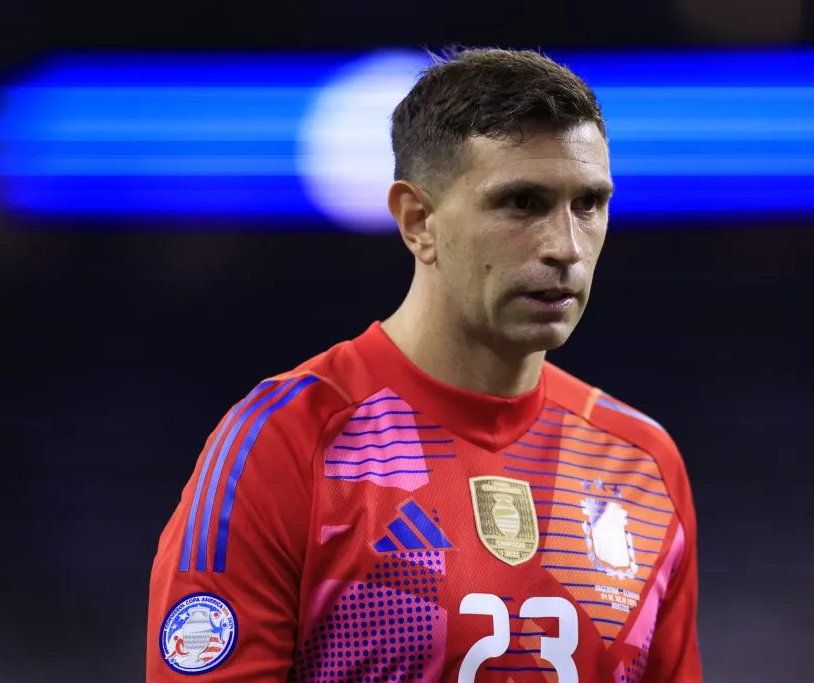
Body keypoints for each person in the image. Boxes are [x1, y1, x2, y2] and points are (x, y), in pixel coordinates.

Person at [147, 47, 703, 683]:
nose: (565, 247)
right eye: (521, 203)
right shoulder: (282, 445)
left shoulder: (643, 464)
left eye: (589, 204)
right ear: (418, 221)